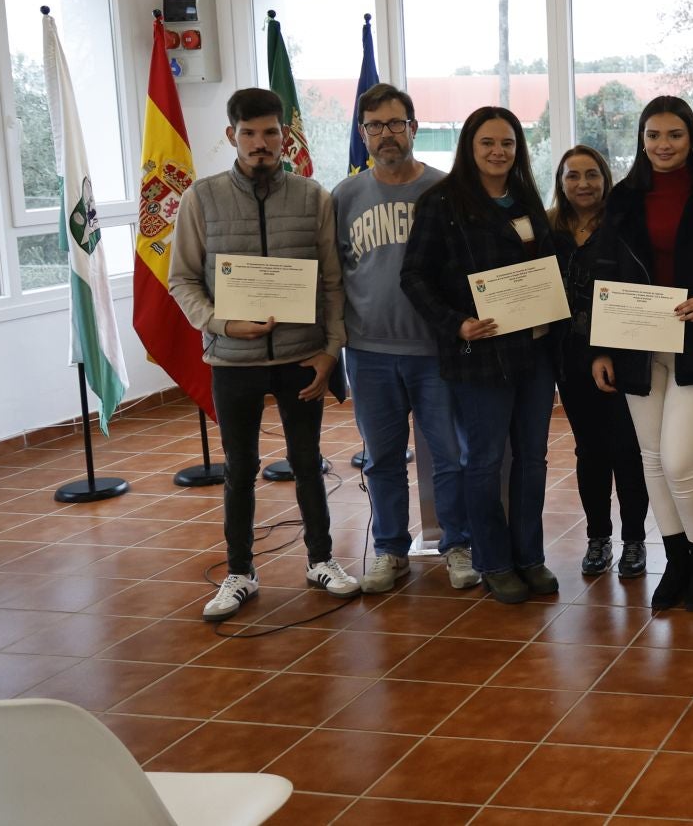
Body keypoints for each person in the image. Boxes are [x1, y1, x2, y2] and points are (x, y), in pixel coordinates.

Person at [169, 88, 358, 620]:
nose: (260, 143)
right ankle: (239, 572)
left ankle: (321, 560)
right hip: (233, 360)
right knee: (241, 467)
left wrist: (330, 351)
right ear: (231, 136)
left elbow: (333, 283)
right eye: (248, 133)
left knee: (306, 460)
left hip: (301, 356)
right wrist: (223, 322)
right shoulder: (200, 199)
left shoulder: (313, 197)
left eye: (270, 132)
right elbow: (182, 280)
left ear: (285, 136)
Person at [588, 98, 693, 612]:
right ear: (642, 139)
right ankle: (676, 559)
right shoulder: (622, 199)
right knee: (652, 461)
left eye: (675, 135)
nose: (664, 145)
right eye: (654, 135)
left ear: (691, 139)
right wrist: (600, 348)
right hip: (636, 344)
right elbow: (603, 274)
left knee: (681, 461)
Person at [401, 106, 566, 605]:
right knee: (486, 462)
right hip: (480, 353)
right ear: (469, 148)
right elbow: (414, 276)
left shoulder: (527, 200)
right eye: (488, 143)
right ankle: (494, 561)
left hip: (536, 351)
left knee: (533, 460)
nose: (499, 152)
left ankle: (529, 556)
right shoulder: (441, 202)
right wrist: (456, 323)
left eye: (508, 144)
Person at [332, 83, 472, 594]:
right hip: (368, 353)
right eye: (374, 126)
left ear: (413, 127)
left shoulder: (444, 190)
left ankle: (458, 544)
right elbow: (334, 275)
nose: (385, 135)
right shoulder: (346, 196)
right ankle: (391, 551)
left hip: (434, 350)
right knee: (382, 458)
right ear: (363, 134)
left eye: (395, 123)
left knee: (448, 455)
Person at [548, 145, 649, 579]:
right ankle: (597, 537)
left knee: (626, 449)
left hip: (619, 351)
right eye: (573, 176)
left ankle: (634, 541)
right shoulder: (548, 228)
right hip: (568, 358)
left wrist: (604, 349)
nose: (583, 184)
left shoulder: (623, 225)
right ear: (561, 182)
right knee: (589, 450)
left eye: (592, 175)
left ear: (606, 179)